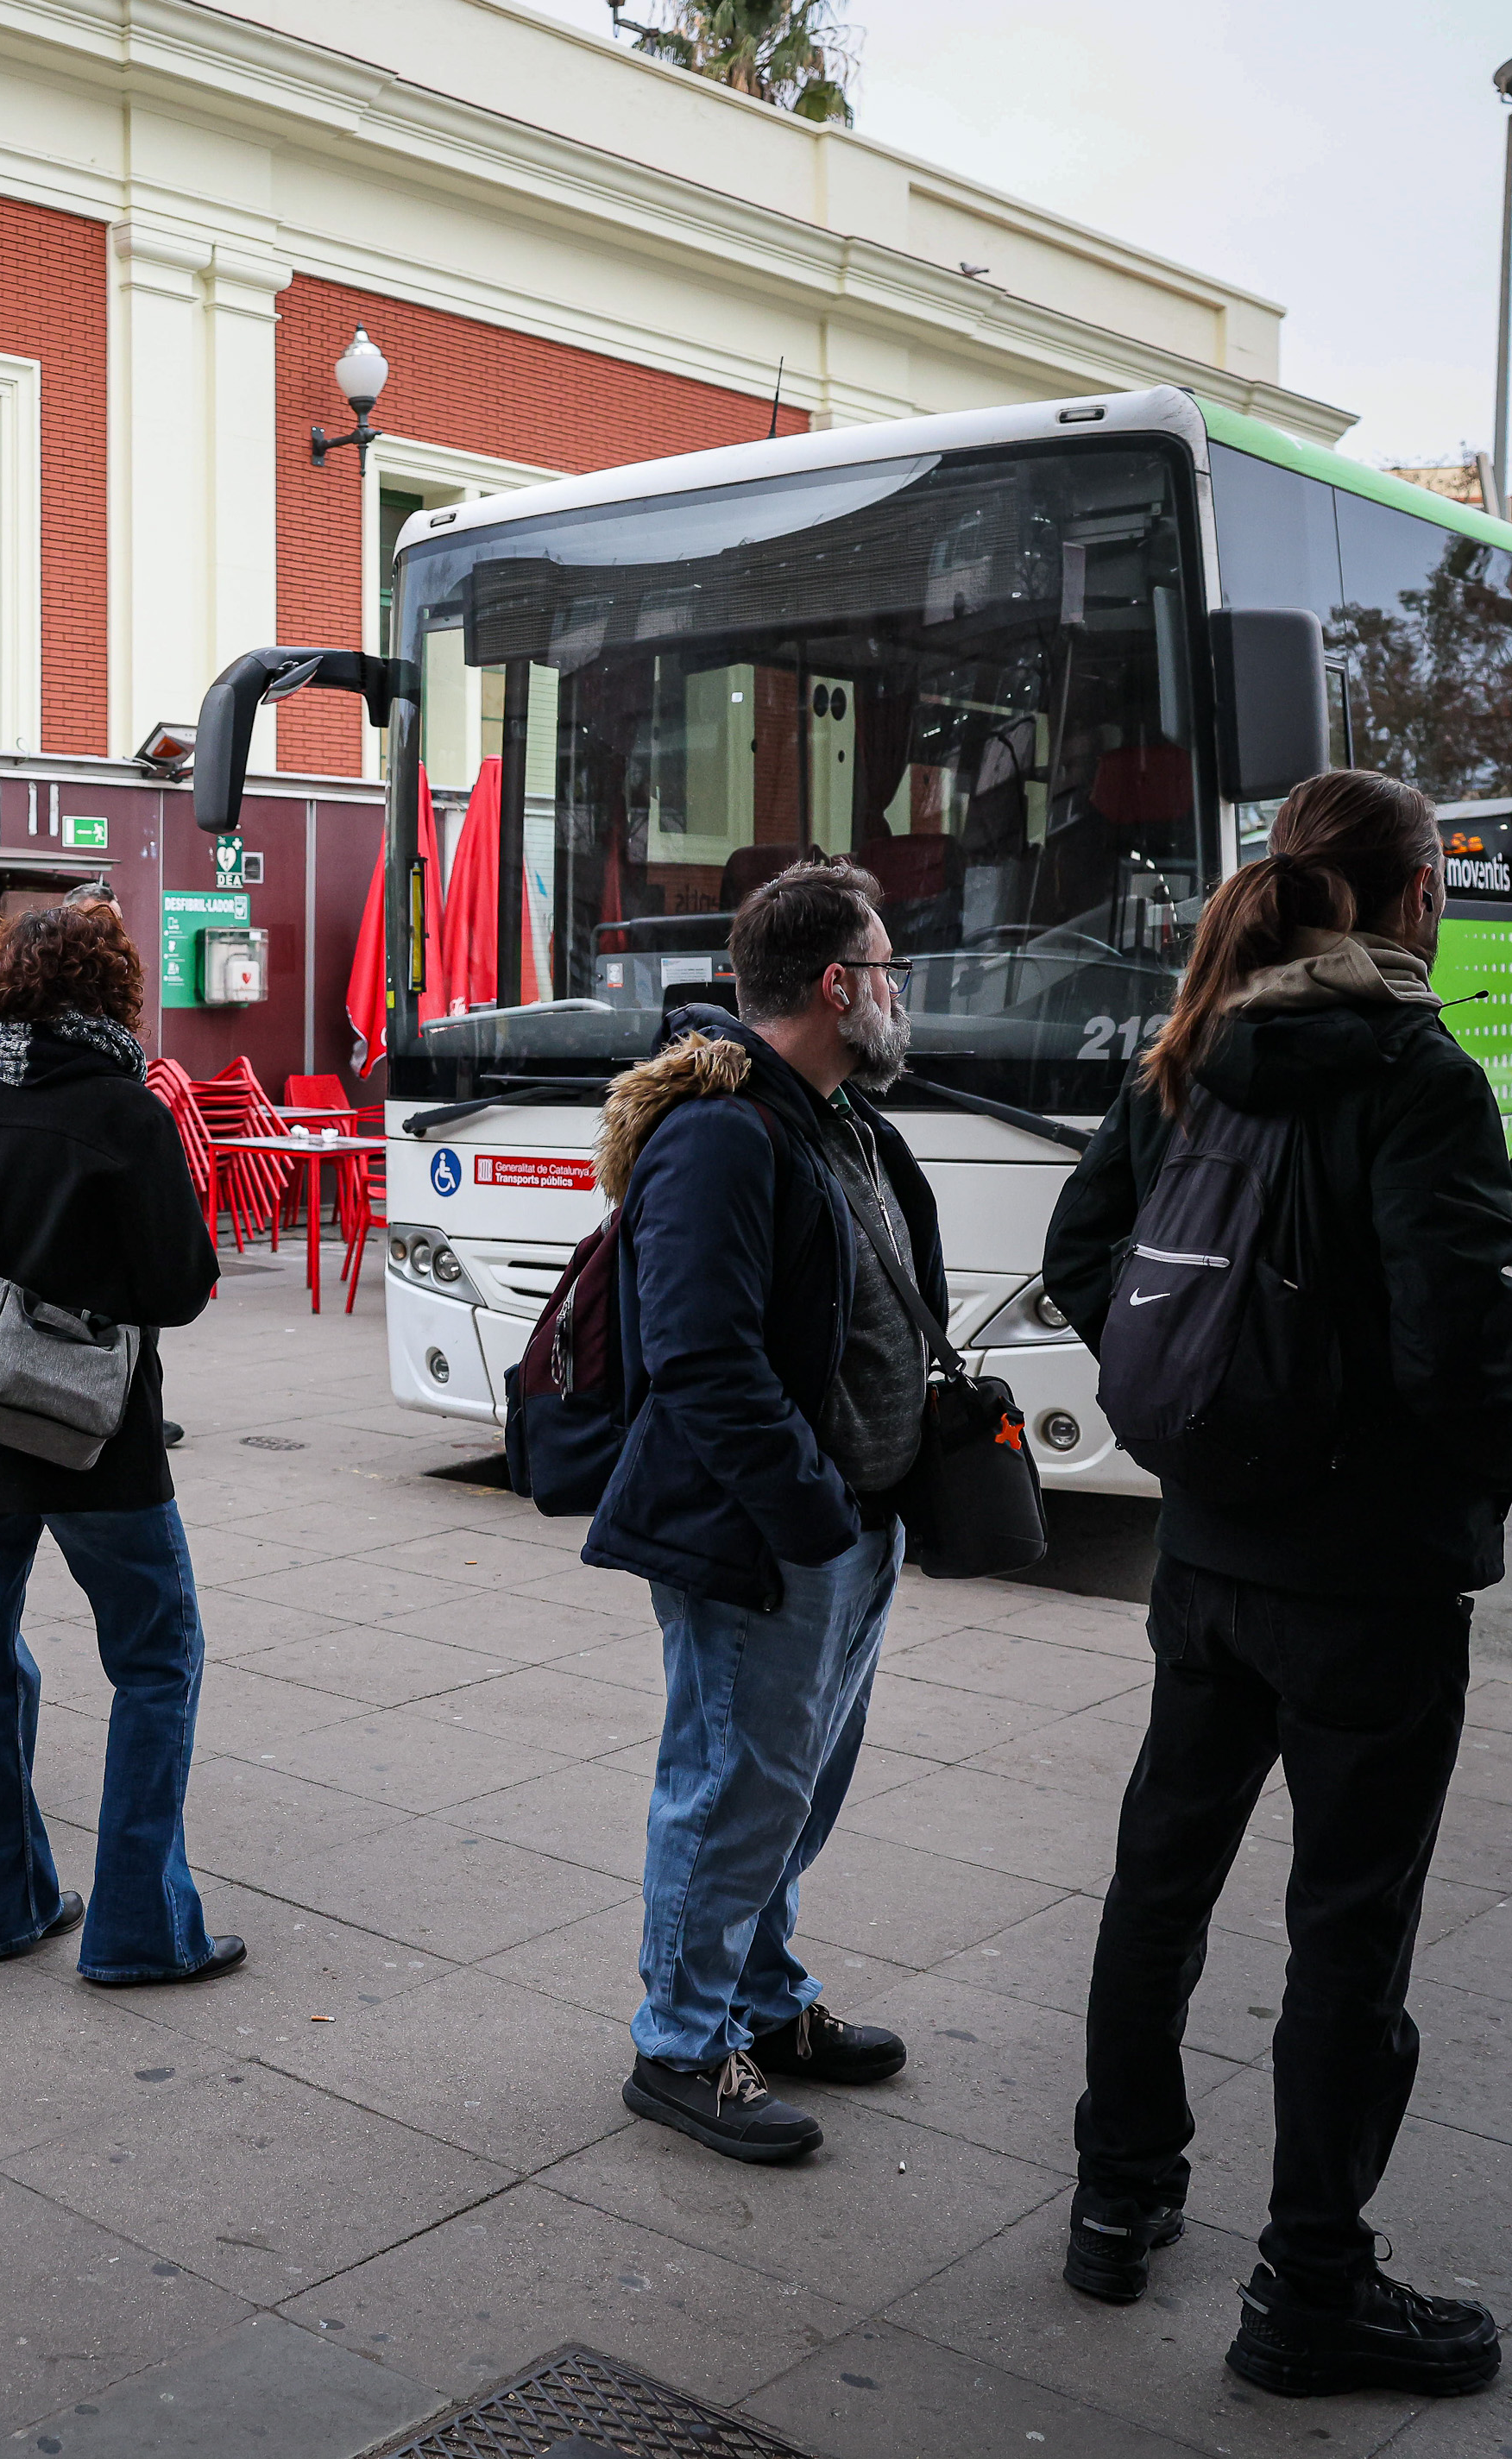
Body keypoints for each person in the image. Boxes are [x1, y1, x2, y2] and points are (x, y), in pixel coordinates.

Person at [1043, 772, 1512, 2398]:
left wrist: (1215, 1426)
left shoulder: (1190, 1048)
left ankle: (1116, 2198)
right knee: (1347, 1927)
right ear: (1410, 900)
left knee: (1159, 1881)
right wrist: (1465, 1482)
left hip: (1203, 1562)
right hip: (1367, 1592)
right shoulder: (1415, 1071)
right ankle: (1310, 2283)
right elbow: (1460, 1353)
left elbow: (1077, 1258)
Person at [577, 859, 934, 2165]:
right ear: (838, 986)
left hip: (851, 1524)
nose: (901, 990)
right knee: (735, 1786)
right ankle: (680, 2042)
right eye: (887, 967)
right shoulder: (725, 1130)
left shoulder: (836, 1118)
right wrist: (812, 1517)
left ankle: (763, 1999)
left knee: (797, 1788)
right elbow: (701, 1358)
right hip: (771, 1540)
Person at [0, 901, 224, 1976]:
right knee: (156, 1656)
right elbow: (182, 1284)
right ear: (110, 991)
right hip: (97, 1437)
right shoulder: (122, 1109)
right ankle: (138, 1928)